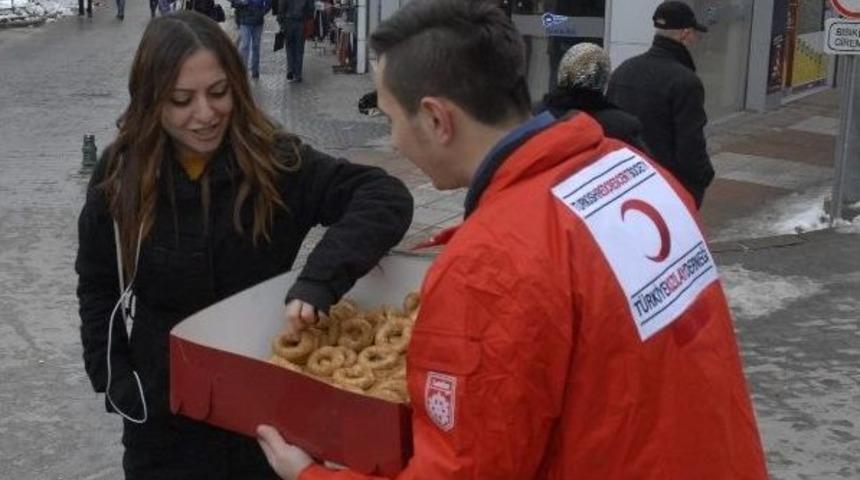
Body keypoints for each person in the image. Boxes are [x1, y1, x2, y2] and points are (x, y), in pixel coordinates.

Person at [255, 0, 769, 479]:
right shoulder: (633, 169)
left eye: (391, 119)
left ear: (436, 119)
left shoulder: (490, 266)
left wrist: (309, 474)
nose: (392, 140)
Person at [75, 10, 412, 479]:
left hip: (266, 420)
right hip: (162, 418)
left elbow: (383, 197)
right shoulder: (119, 174)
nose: (206, 114)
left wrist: (318, 281)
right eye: (180, 100)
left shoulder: (275, 161)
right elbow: (97, 285)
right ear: (151, 100)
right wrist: (115, 380)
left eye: (218, 93)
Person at [606, 0, 714, 208]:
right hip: (668, 186)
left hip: (626, 180)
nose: (695, 39)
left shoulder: (624, 70)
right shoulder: (685, 81)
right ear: (684, 34)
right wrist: (703, 177)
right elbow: (690, 143)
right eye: (693, 34)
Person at [536, 42, 649, 154]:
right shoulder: (622, 126)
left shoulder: (536, 116)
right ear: (603, 78)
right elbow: (648, 166)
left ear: (562, 73)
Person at [231, 0, 271, 79]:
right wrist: (241, 3)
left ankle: (255, 71)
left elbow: (269, 3)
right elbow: (234, 3)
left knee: (256, 46)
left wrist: (262, 12)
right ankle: (243, 70)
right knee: (245, 45)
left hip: (258, 21)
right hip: (244, 20)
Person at [277, 0, 314, 83]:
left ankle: (290, 69)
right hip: (301, 22)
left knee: (289, 48)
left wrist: (281, 22)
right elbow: (311, 8)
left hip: (288, 22)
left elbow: (281, 6)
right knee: (299, 49)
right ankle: (298, 74)